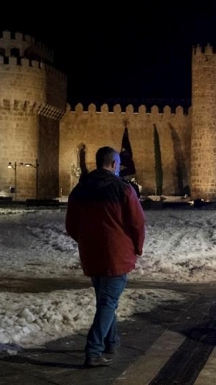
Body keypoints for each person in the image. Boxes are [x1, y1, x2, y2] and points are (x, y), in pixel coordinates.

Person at [65, 146, 146, 367]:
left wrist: (86, 242)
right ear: (113, 164)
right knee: (108, 302)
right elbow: (137, 222)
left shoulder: (80, 190)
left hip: (91, 255)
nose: (119, 168)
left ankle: (112, 341)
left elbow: (71, 224)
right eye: (118, 164)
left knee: (105, 300)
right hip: (116, 255)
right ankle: (93, 350)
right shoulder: (123, 190)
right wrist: (136, 247)